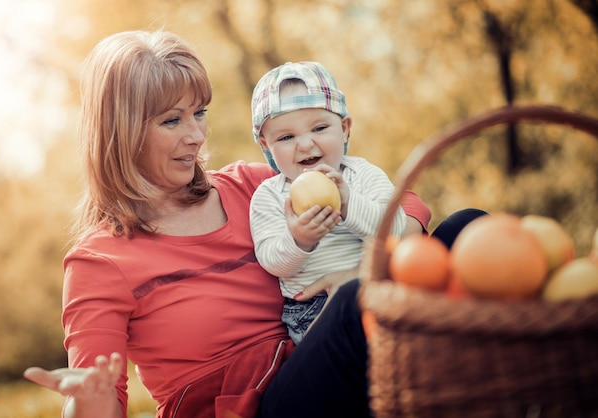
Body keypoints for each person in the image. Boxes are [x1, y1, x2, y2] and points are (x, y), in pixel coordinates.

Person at [22, 29, 433, 418]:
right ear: (122, 134)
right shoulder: (98, 262)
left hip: (309, 366)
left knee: (463, 229)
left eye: (199, 113)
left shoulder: (251, 188)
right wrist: (91, 401)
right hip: (236, 409)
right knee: (351, 305)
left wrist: (361, 271)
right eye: (172, 120)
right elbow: (100, 398)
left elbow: (408, 205)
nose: (197, 135)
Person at [249, 61, 408, 344]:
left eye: (319, 128)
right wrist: (300, 240)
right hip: (313, 310)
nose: (306, 144)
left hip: (377, 289)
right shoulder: (269, 196)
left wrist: (348, 203)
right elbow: (272, 260)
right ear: (266, 145)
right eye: (286, 137)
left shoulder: (364, 175)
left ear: (345, 128)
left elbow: (395, 229)